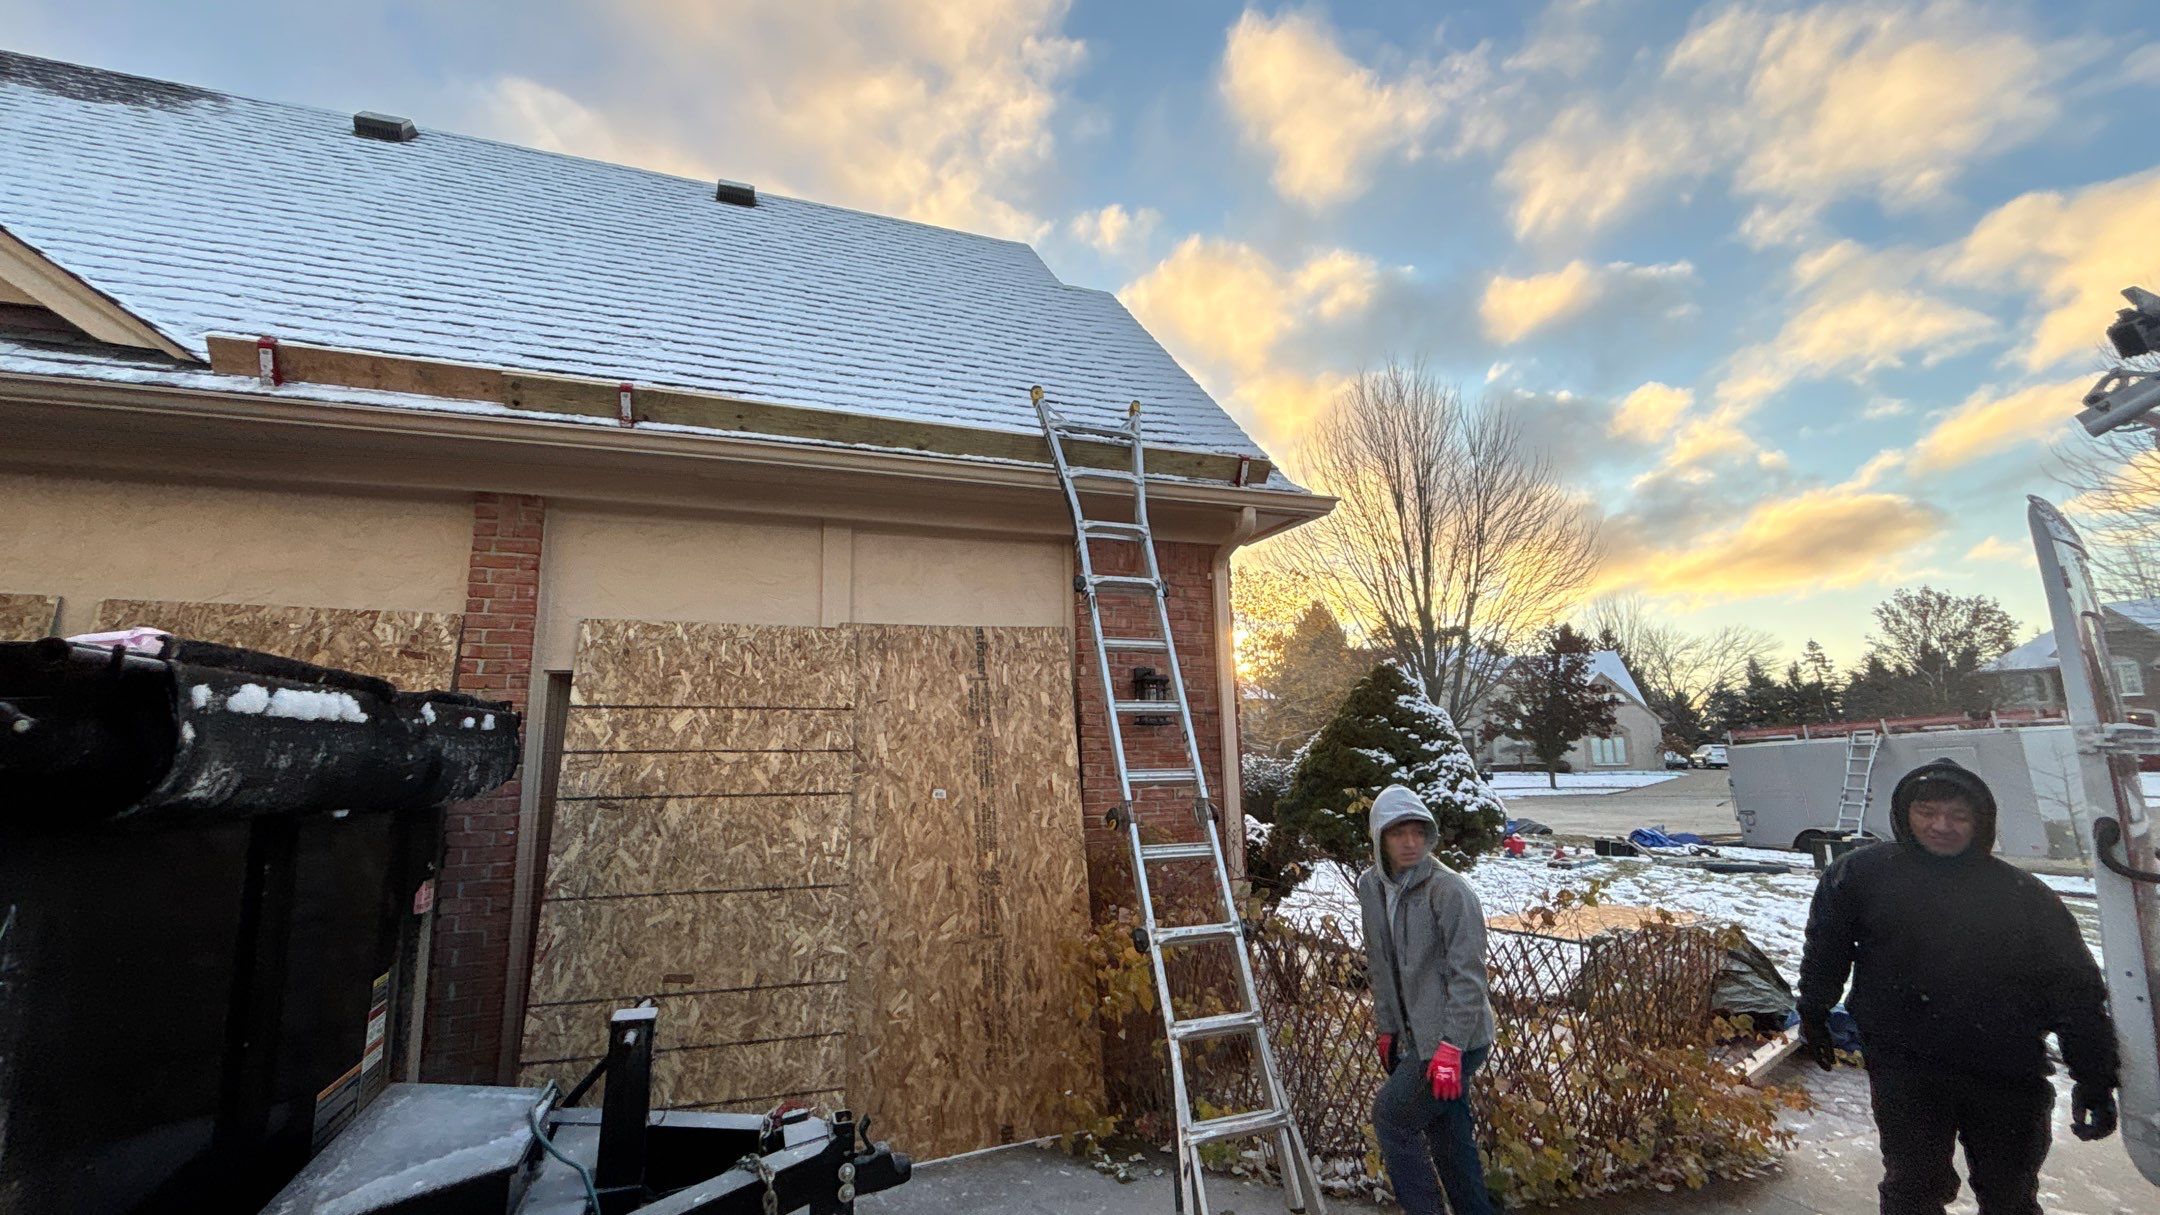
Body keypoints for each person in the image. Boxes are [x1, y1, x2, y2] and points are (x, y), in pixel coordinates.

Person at [1797, 758, 2119, 1215]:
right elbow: (1827, 947)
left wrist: (2094, 1078)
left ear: (1981, 822)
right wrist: (1813, 1009)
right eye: (1927, 812)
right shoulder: (1860, 876)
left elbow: (2075, 991)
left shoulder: (2023, 896)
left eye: (1958, 816)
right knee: (1913, 1186)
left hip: (2006, 1069)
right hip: (1906, 1066)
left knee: (2010, 1194)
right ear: (1905, 814)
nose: (1941, 825)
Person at [1358, 784, 1497, 1215]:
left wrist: (1450, 1048)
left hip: (1456, 1042)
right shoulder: (1373, 888)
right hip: (1415, 1038)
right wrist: (1387, 1027)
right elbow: (1380, 964)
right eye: (1399, 833)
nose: (1410, 842)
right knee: (1449, 1138)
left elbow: (1469, 977)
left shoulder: (1449, 891)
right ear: (1380, 836)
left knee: (1393, 1118)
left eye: (1418, 832)